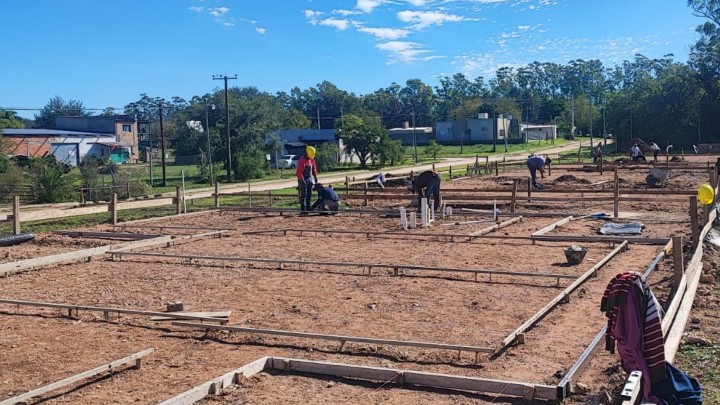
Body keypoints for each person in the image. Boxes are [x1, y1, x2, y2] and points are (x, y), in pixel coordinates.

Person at [296, 146, 318, 214]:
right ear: (306, 153)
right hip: (304, 179)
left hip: (310, 178)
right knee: (304, 194)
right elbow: (299, 172)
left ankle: (308, 207)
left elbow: (314, 168)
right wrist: (302, 181)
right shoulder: (301, 160)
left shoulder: (311, 159)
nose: (310, 157)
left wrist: (315, 177)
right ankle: (303, 209)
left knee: (309, 194)